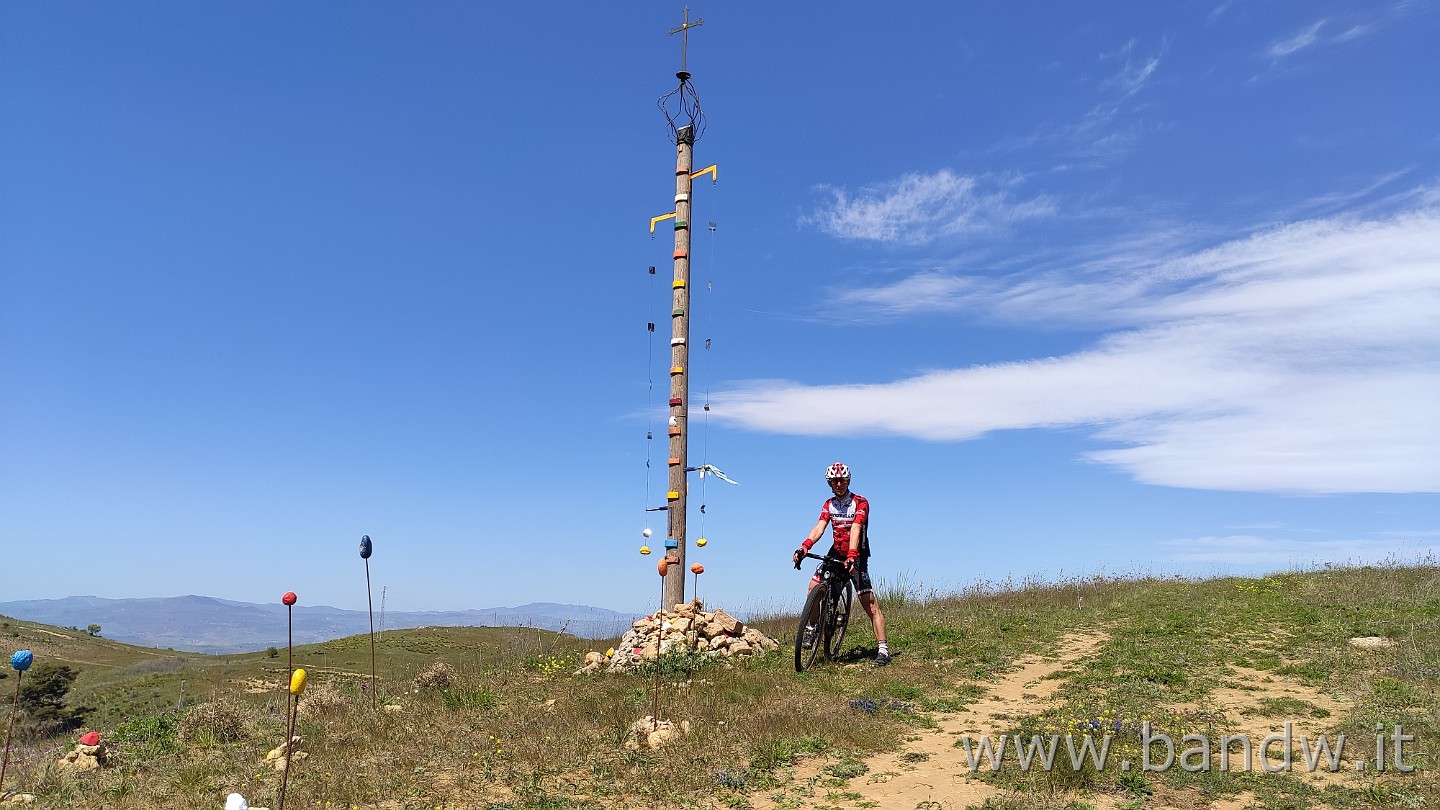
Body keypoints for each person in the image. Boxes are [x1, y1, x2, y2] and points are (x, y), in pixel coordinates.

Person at [792, 462, 891, 666]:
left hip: (857, 555)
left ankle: (883, 650)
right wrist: (804, 547)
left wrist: (853, 555)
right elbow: (820, 527)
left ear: (848, 481)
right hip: (836, 552)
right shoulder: (829, 504)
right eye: (835, 481)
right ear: (829, 483)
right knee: (813, 587)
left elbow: (855, 528)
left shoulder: (860, 502)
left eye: (842, 480)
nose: (839, 484)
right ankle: (812, 628)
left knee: (869, 602)